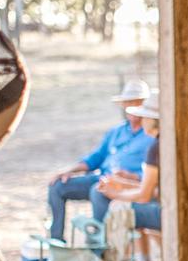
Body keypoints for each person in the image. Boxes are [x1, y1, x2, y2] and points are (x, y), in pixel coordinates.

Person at [46, 80, 155, 240]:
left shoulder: (150, 136)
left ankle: (101, 244)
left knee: (98, 189)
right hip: (103, 176)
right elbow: (95, 158)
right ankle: (56, 241)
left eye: (136, 102)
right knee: (57, 186)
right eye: (128, 102)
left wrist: (131, 176)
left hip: (126, 183)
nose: (131, 107)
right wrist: (69, 171)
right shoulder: (116, 131)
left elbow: (151, 174)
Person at [93, 94, 161, 233]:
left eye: (144, 117)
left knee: (116, 207)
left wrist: (115, 193)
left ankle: (105, 250)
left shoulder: (156, 147)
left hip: (166, 211)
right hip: (169, 203)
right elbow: (157, 191)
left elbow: (144, 196)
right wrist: (122, 185)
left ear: (152, 120)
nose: (142, 121)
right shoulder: (164, 141)